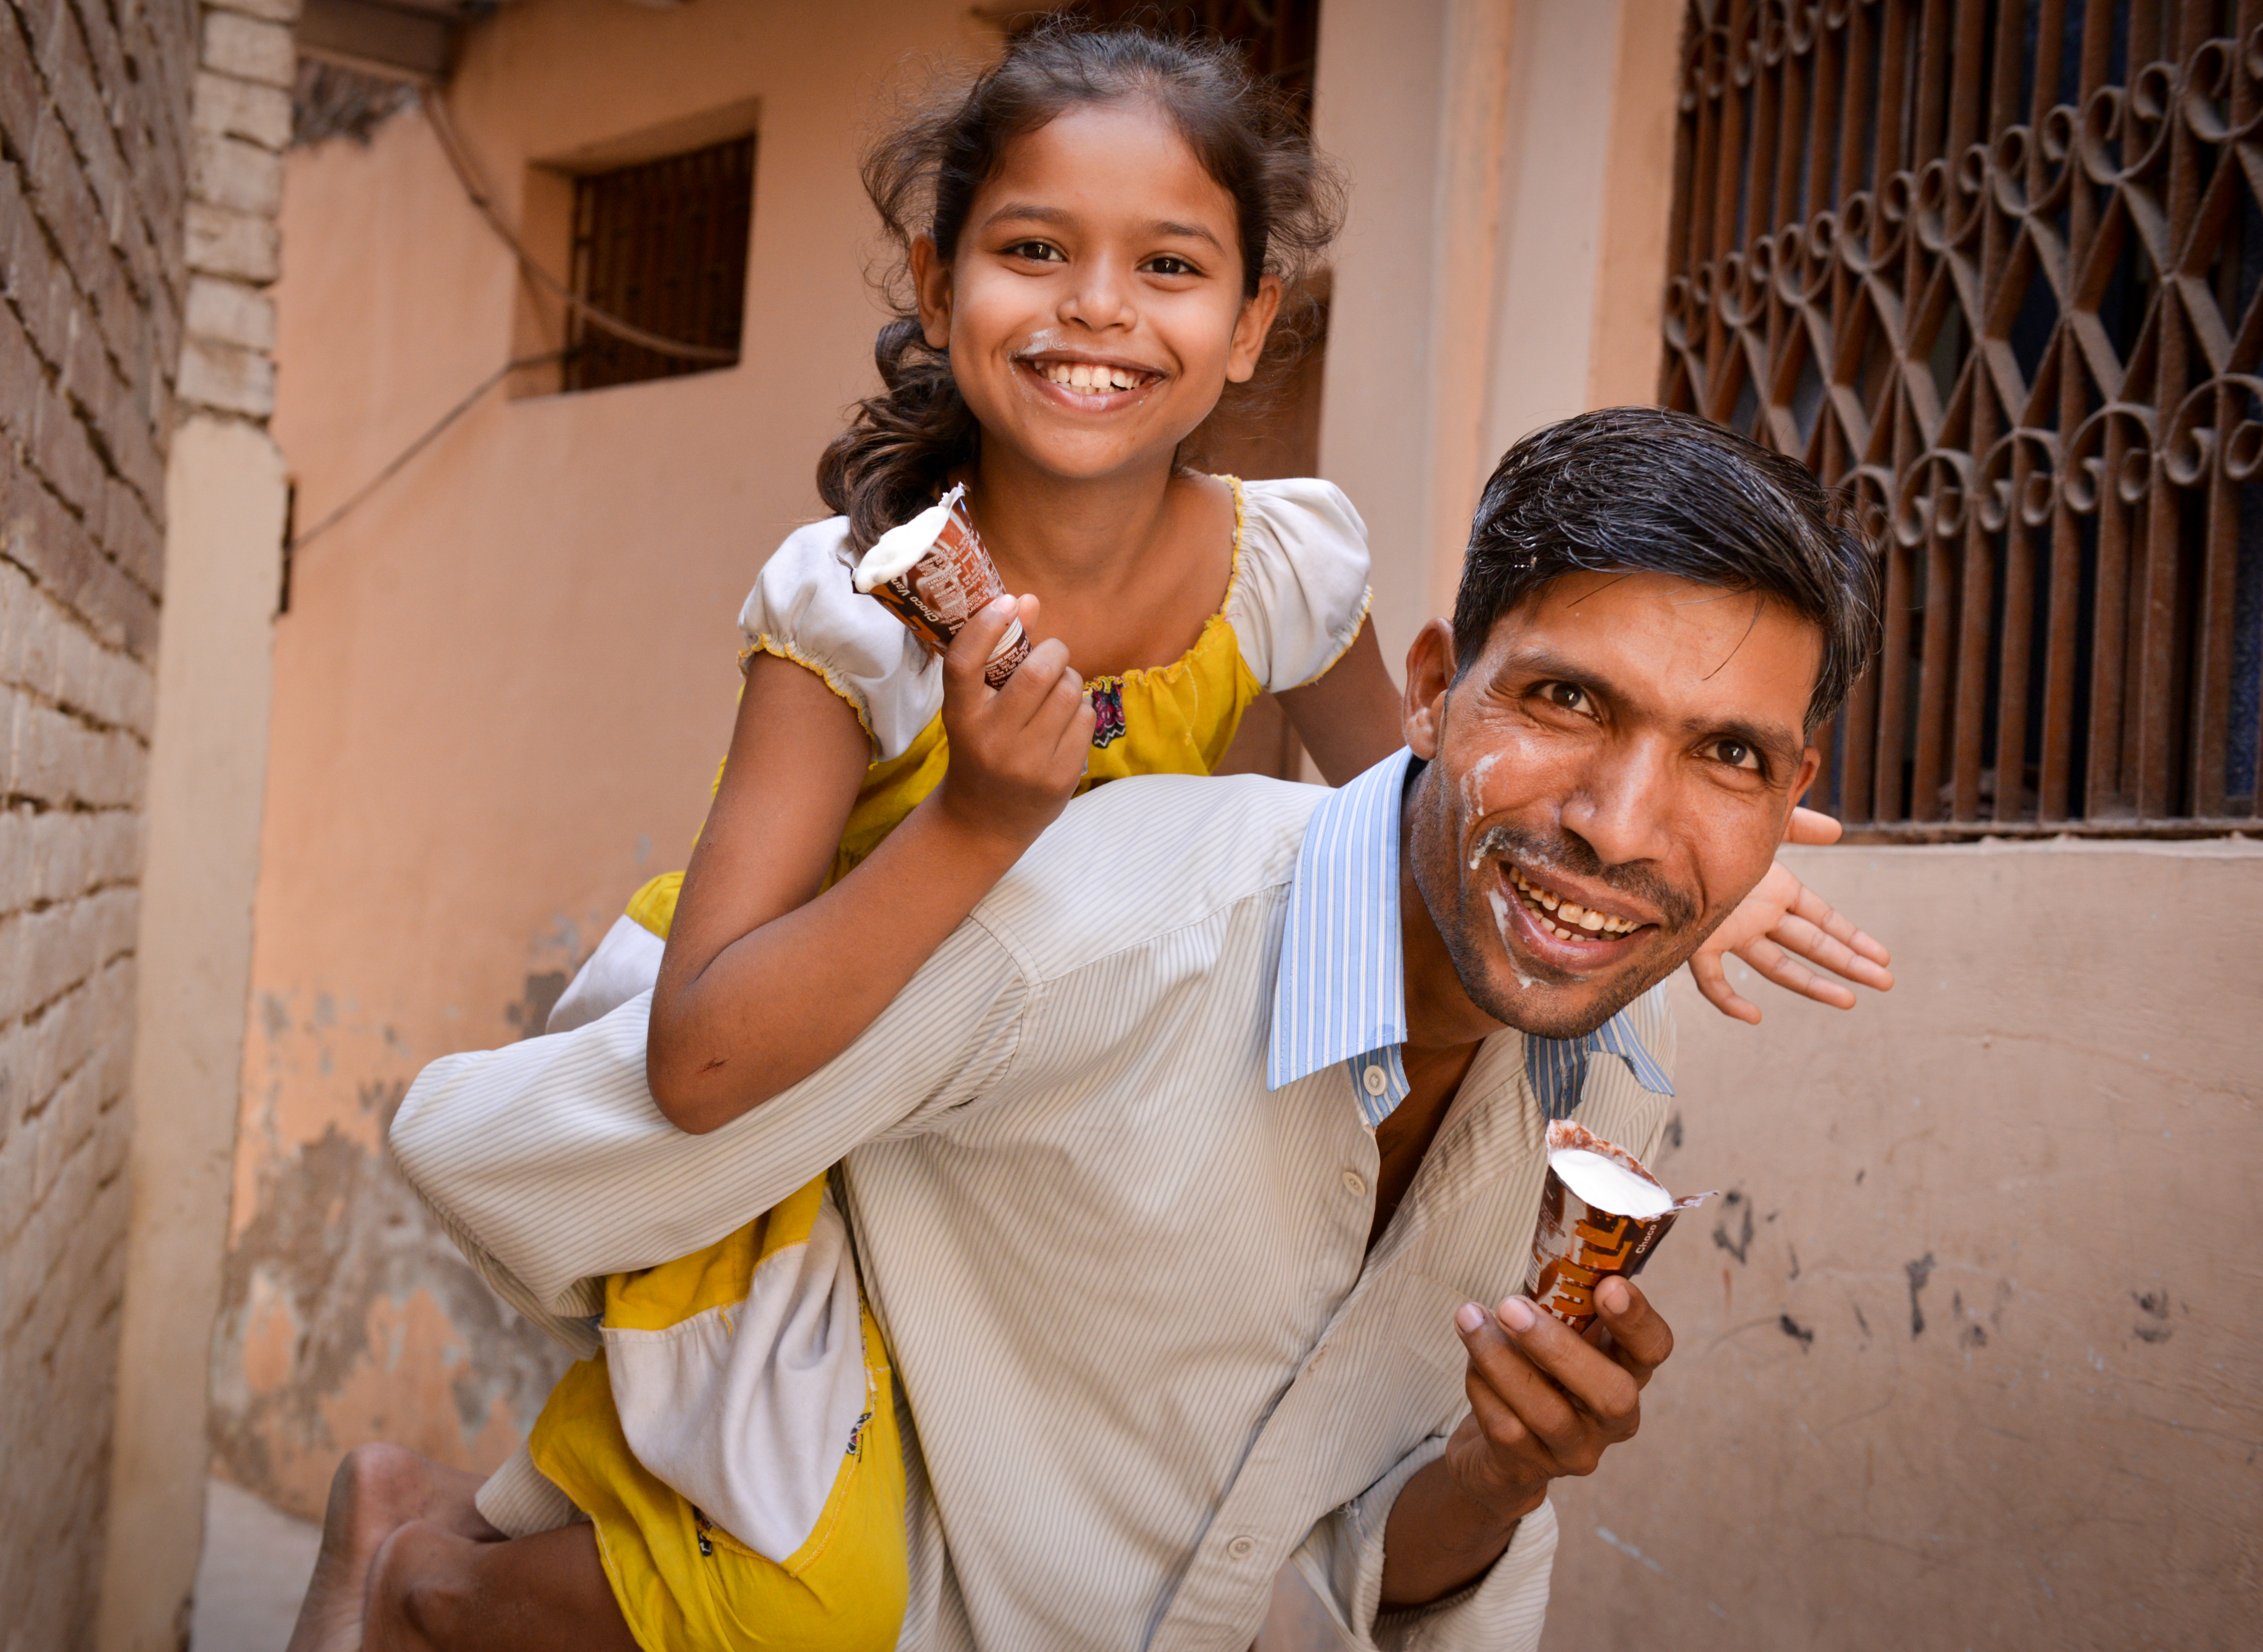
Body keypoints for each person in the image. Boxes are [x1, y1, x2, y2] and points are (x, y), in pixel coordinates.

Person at [287, 403, 1885, 1652]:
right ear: (1428, 687)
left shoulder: (1608, 1103)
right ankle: (436, 1567)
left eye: (1722, 756)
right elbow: (531, 1138)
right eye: (1566, 704)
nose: (1620, 822)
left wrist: (1501, 1470)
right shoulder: (1098, 922)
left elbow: (1320, 1552)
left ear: (1790, 791)